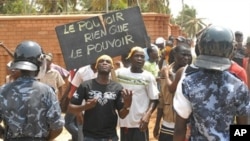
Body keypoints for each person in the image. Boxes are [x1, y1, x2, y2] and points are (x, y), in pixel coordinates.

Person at [173, 25, 250, 141]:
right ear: (230, 51)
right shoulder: (239, 87)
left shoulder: (187, 83)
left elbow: (179, 129)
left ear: (201, 47)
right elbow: (242, 128)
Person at [0, 40, 64, 140]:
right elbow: (57, 126)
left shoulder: (3, 91)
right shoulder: (46, 91)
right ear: (39, 63)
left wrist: (5, 136)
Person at [68, 54, 133, 141]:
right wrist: (85, 107)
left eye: (108, 62)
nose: (104, 63)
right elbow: (71, 108)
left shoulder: (117, 88)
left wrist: (127, 105)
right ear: (96, 67)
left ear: (111, 67)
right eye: (101, 61)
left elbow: (122, 115)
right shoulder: (86, 85)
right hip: (89, 136)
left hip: (110, 136)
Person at [116, 46, 159, 141]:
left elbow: (154, 99)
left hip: (140, 123)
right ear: (130, 58)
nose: (140, 59)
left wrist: (147, 115)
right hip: (124, 121)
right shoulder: (120, 74)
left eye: (142, 57)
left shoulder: (148, 77)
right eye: (137, 56)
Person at [153, 45, 192, 141]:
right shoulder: (165, 71)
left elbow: (172, 88)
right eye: (183, 55)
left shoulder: (192, 73)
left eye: (188, 55)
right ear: (175, 54)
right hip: (167, 123)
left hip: (186, 125)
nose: (186, 58)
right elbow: (162, 99)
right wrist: (157, 123)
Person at [64, 64, 97, 141]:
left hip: (98, 110)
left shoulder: (105, 72)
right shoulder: (82, 71)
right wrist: (78, 111)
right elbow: (74, 88)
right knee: (77, 126)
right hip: (82, 107)